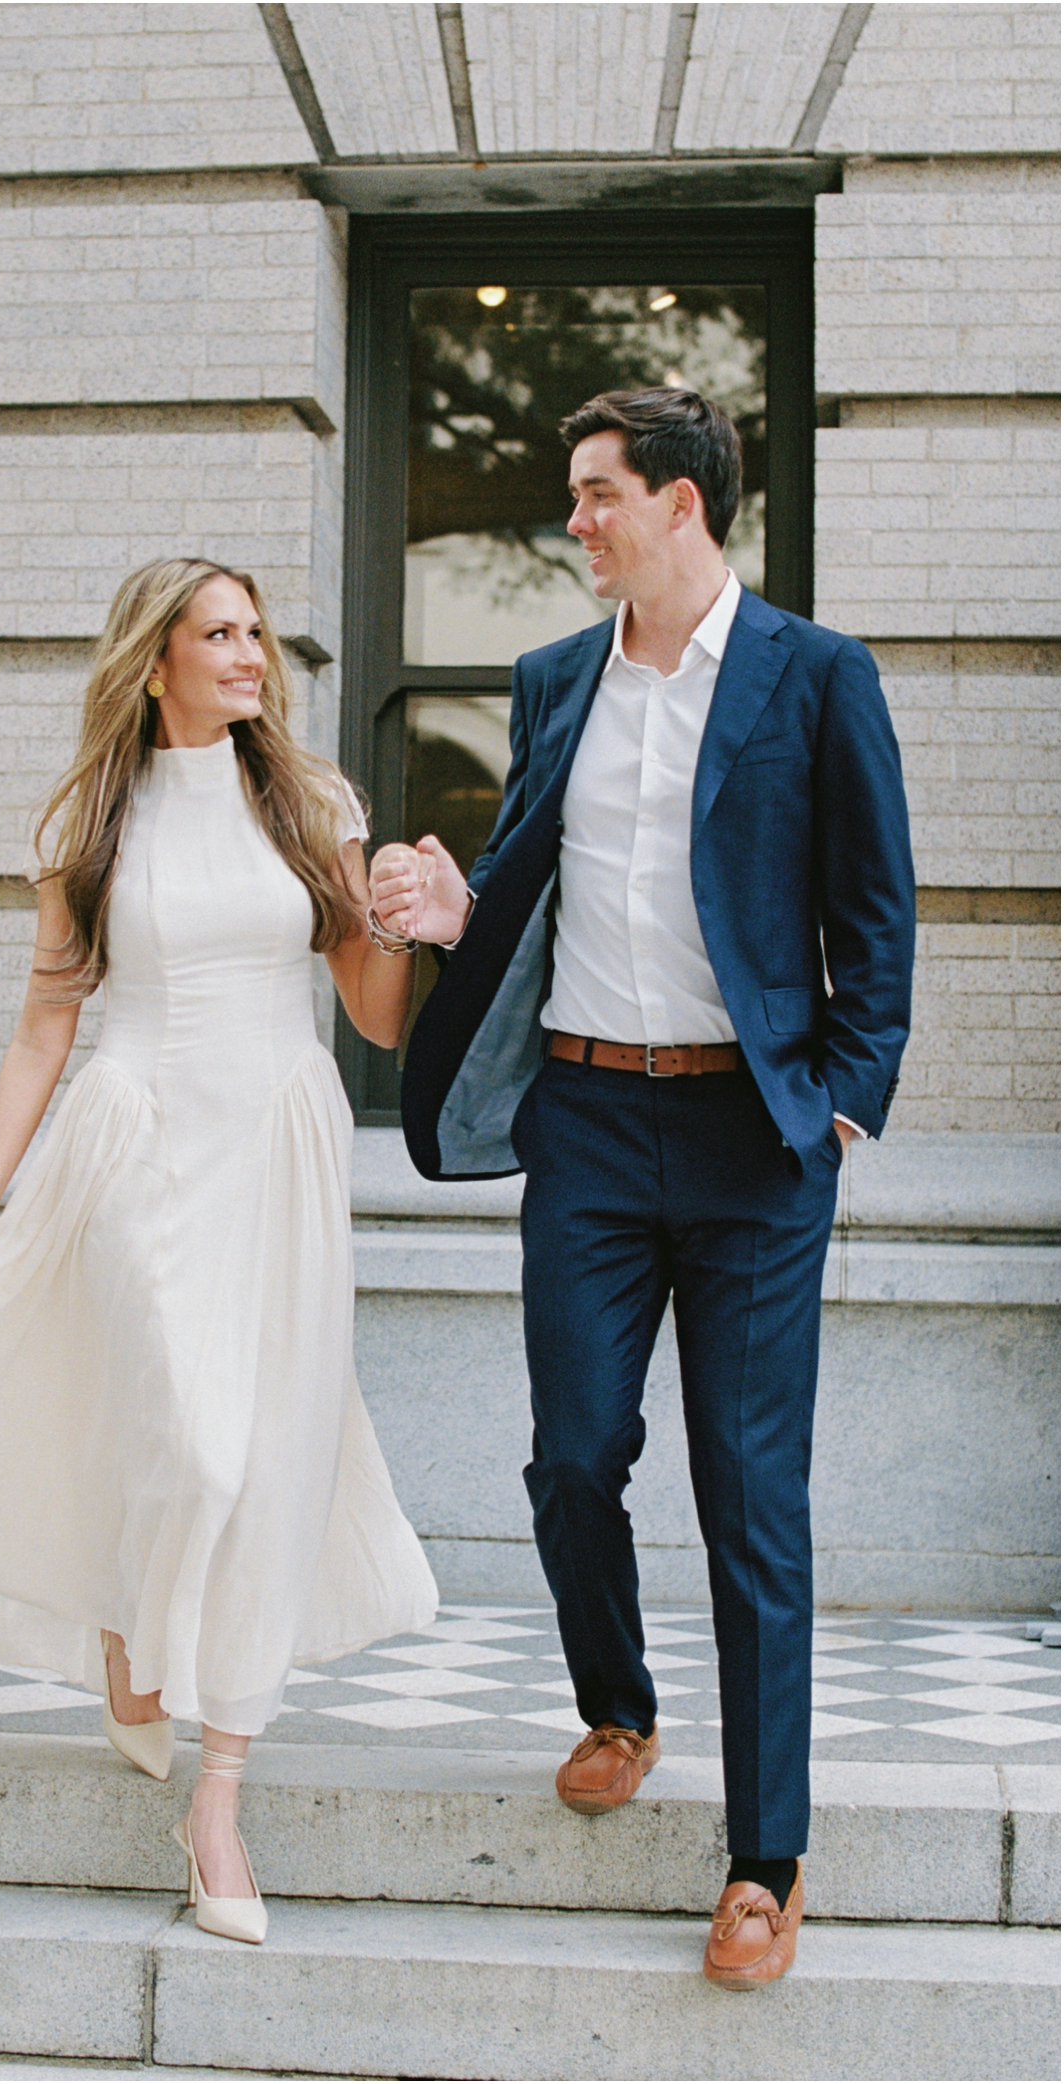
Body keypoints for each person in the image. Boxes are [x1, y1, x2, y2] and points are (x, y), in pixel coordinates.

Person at [0, 556, 438, 1948]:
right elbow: (46, 1025)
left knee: (270, 1468)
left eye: (252, 633)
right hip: (135, 1139)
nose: (249, 654)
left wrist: (407, 925)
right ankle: (128, 1623)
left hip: (282, 1145)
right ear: (154, 660)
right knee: (194, 1445)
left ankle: (217, 1798)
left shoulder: (312, 805)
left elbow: (378, 1015)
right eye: (216, 634)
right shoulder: (91, 822)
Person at [370, 389, 915, 1988]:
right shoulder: (556, 683)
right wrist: (448, 902)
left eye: (599, 493)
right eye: (575, 493)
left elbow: (877, 916)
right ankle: (619, 1706)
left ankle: (765, 1864)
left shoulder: (816, 679)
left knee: (754, 1505)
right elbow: (523, 882)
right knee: (567, 1459)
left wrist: (846, 1111)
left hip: (757, 1143)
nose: (577, 522)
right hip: (592, 1129)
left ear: (682, 505)